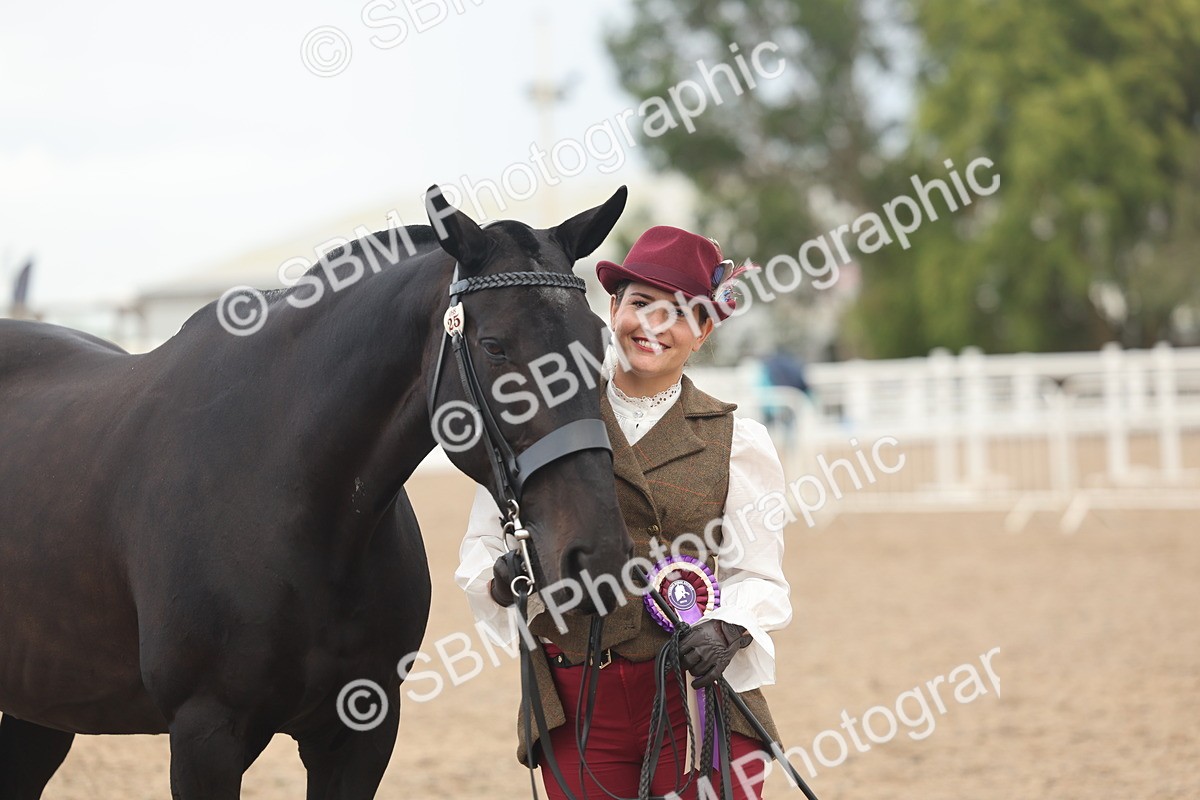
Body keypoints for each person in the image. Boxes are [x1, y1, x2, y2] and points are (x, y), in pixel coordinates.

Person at [455, 226, 792, 800]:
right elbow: (483, 547)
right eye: (640, 303)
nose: (653, 325)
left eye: (679, 313)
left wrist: (728, 626)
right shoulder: (541, 415)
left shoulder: (739, 441)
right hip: (579, 704)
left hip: (692, 698)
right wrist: (501, 578)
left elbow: (759, 575)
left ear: (703, 331)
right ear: (613, 308)